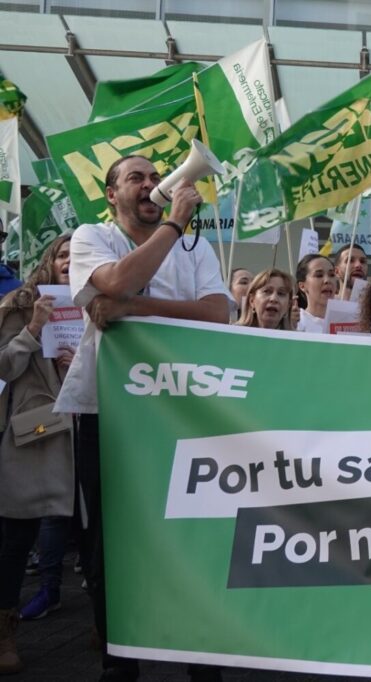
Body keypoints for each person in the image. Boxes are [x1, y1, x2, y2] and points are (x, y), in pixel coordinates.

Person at [54, 155, 229, 682]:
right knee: (108, 546)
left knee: (194, 538)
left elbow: (218, 312)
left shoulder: (194, 248)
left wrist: (134, 310)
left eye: (157, 178)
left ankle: (204, 660)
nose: (152, 185)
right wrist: (174, 222)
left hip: (182, 413)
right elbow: (116, 279)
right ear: (111, 196)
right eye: (138, 179)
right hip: (107, 411)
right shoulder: (92, 236)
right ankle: (119, 661)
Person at [0, 236, 75, 675]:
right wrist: (33, 330)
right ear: (50, 260)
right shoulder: (20, 302)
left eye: (77, 256)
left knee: (93, 537)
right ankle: (6, 630)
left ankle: (105, 630)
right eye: (63, 255)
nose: (70, 263)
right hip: (35, 437)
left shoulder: (99, 304)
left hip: (82, 430)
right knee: (16, 540)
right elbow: (4, 366)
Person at [294, 254, 338, 333]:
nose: (327, 280)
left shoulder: (347, 323)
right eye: (319, 275)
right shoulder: (295, 322)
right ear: (302, 286)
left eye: (331, 275)